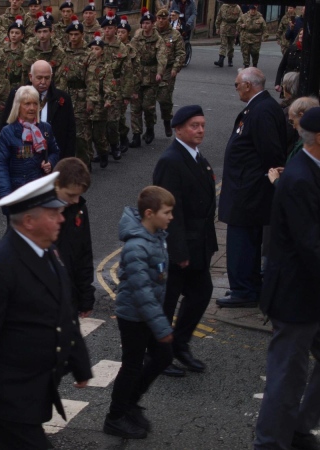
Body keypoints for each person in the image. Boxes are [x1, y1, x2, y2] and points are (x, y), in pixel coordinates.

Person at [0, 172, 92, 449]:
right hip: (8, 395)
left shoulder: (47, 252)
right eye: (54, 214)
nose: (62, 219)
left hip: (35, 388)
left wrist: (79, 363)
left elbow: (64, 312)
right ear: (29, 221)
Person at [253, 107, 320, 450]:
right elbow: (310, 243)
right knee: (285, 378)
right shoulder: (298, 179)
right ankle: (269, 444)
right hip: (296, 297)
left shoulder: (311, 172)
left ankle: (297, 427)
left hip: (311, 294)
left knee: (290, 376)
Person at [104, 186, 175, 439]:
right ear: (149, 213)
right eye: (166, 212)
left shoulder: (155, 235)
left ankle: (129, 403)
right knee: (132, 365)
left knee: (163, 356)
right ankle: (115, 416)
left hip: (147, 314)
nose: (171, 217)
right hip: (134, 315)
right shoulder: (136, 246)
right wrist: (161, 326)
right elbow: (142, 291)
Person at [152, 106, 218, 378]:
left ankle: (179, 344)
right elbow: (169, 212)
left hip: (198, 243)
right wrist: (177, 251)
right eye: (193, 125)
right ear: (178, 129)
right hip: (179, 248)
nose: (200, 130)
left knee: (201, 294)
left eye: (202, 125)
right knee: (166, 303)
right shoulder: (171, 161)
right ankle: (159, 355)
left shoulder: (196, 157)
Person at [216, 68, 286, 308]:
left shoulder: (263, 110)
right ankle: (247, 285)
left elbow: (271, 152)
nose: (236, 89)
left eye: (237, 85)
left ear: (248, 85)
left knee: (242, 242)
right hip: (246, 187)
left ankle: (244, 289)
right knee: (244, 240)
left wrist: (258, 178)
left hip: (249, 190)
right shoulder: (259, 107)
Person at [0, 85, 61, 202]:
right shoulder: (7, 132)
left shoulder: (45, 128)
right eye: (27, 104)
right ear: (18, 106)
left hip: (40, 191)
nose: (32, 108)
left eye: (35, 104)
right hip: (17, 193)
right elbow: (0, 165)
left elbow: (55, 152)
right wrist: (6, 197)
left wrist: (50, 162)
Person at [0, 61, 76, 161]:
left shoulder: (63, 98)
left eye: (47, 78)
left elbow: (70, 132)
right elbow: (5, 123)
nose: (43, 82)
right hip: (23, 155)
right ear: (31, 77)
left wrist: (66, 161)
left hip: (52, 156)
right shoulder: (16, 94)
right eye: (39, 78)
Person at [54, 158, 95, 317]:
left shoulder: (79, 209)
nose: (76, 200)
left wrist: (86, 296)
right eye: (71, 195)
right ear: (56, 184)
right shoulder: (38, 212)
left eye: (79, 195)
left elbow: (84, 253)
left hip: (69, 295)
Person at [56, 17, 92, 166]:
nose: (73, 37)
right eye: (71, 35)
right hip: (65, 95)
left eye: (76, 34)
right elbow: (59, 76)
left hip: (81, 96)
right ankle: (66, 164)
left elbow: (92, 79)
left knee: (81, 135)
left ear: (82, 35)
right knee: (64, 131)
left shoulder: (88, 54)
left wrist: (91, 100)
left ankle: (84, 162)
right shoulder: (63, 52)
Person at [129, 8, 167, 148]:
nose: (145, 26)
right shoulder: (137, 38)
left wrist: (160, 72)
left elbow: (162, 57)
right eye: (143, 23)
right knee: (135, 107)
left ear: (153, 24)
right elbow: (130, 54)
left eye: (148, 23)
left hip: (151, 76)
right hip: (137, 75)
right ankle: (136, 135)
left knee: (148, 106)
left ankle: (150, 129)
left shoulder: (158, 39)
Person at [101, 11, 133, 160]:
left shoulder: (122, 48)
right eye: (105, 28)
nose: (107, 31)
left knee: (113, 121)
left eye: (110, 28)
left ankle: (115, 145)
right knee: (100, 121)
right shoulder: (97, 45)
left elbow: (127, 72)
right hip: (99, 87)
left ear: (115, 29)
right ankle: (103, 149)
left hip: (116, 88)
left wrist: (127, 94)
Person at [268, 96, 320, 185]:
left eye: (292, 121)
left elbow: (300, 186)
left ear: (301, 116)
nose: (293, 127)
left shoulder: (308, 144)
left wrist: (276, 181)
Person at [87, 32, 116, 168]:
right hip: (86, 100)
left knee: (99, 133)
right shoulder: (85, 64)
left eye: (97, 49)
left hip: (99, 101)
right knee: (86, 132)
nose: (94, 51)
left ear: (102, 51)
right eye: (92, 49)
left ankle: (103, 152)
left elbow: (109, 84)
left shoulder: (106, 67)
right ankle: (88, 156)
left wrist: (108, 99)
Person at [155, 8, 185, 138]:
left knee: (164, 99)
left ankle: (167, 120)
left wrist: (175, 68)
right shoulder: (151, 32)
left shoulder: (175, 35)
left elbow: (181, 53)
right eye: (159, 18)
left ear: (168, 19)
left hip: (167, 70)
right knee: (146, 102)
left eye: (164, 18)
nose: (161, 21)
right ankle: (149, 128)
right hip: (151, 69)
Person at [22, 12, 67, 84]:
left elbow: (60, 78)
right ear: (36, 34)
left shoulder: (59, 52)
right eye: (39, 32)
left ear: (51, 33)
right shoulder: (30, 53)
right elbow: (26, 76)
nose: (42, 35)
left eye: (45, 31)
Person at [117, 16, 139, 154]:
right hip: (111, 85)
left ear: (128, 34)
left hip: (124, 85)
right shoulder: (112, 47)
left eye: (123, 32)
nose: (120, 35)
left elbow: (134, 71)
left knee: (119, 115)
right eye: (118, 32)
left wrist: (132, 90)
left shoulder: (131, 50)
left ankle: (123, 136)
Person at [214, 2, 242, 67]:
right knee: (223, 44)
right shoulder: (223, 6)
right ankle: (221, 60)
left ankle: (230, 59)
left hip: (233, 27)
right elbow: (219, 16)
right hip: (224, 26)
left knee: (231, 45)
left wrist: (238, 30)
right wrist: (217, 27)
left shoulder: (237, 7)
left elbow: (240, 19)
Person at [275, 29, 303, 94]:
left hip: (302, 85)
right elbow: (282, 67)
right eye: (300, 34)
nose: (301, 36)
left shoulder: (310, 52)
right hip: (289, 83)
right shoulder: (291, 49)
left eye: (304, 35)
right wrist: (277, 83)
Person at [1, 16, 26, 88]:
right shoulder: (2, 50)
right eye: (12, 32)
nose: (13, 35)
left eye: (17, 33)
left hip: (19, 87)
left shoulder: (25, 51)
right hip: (4, 87)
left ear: (22, 36)